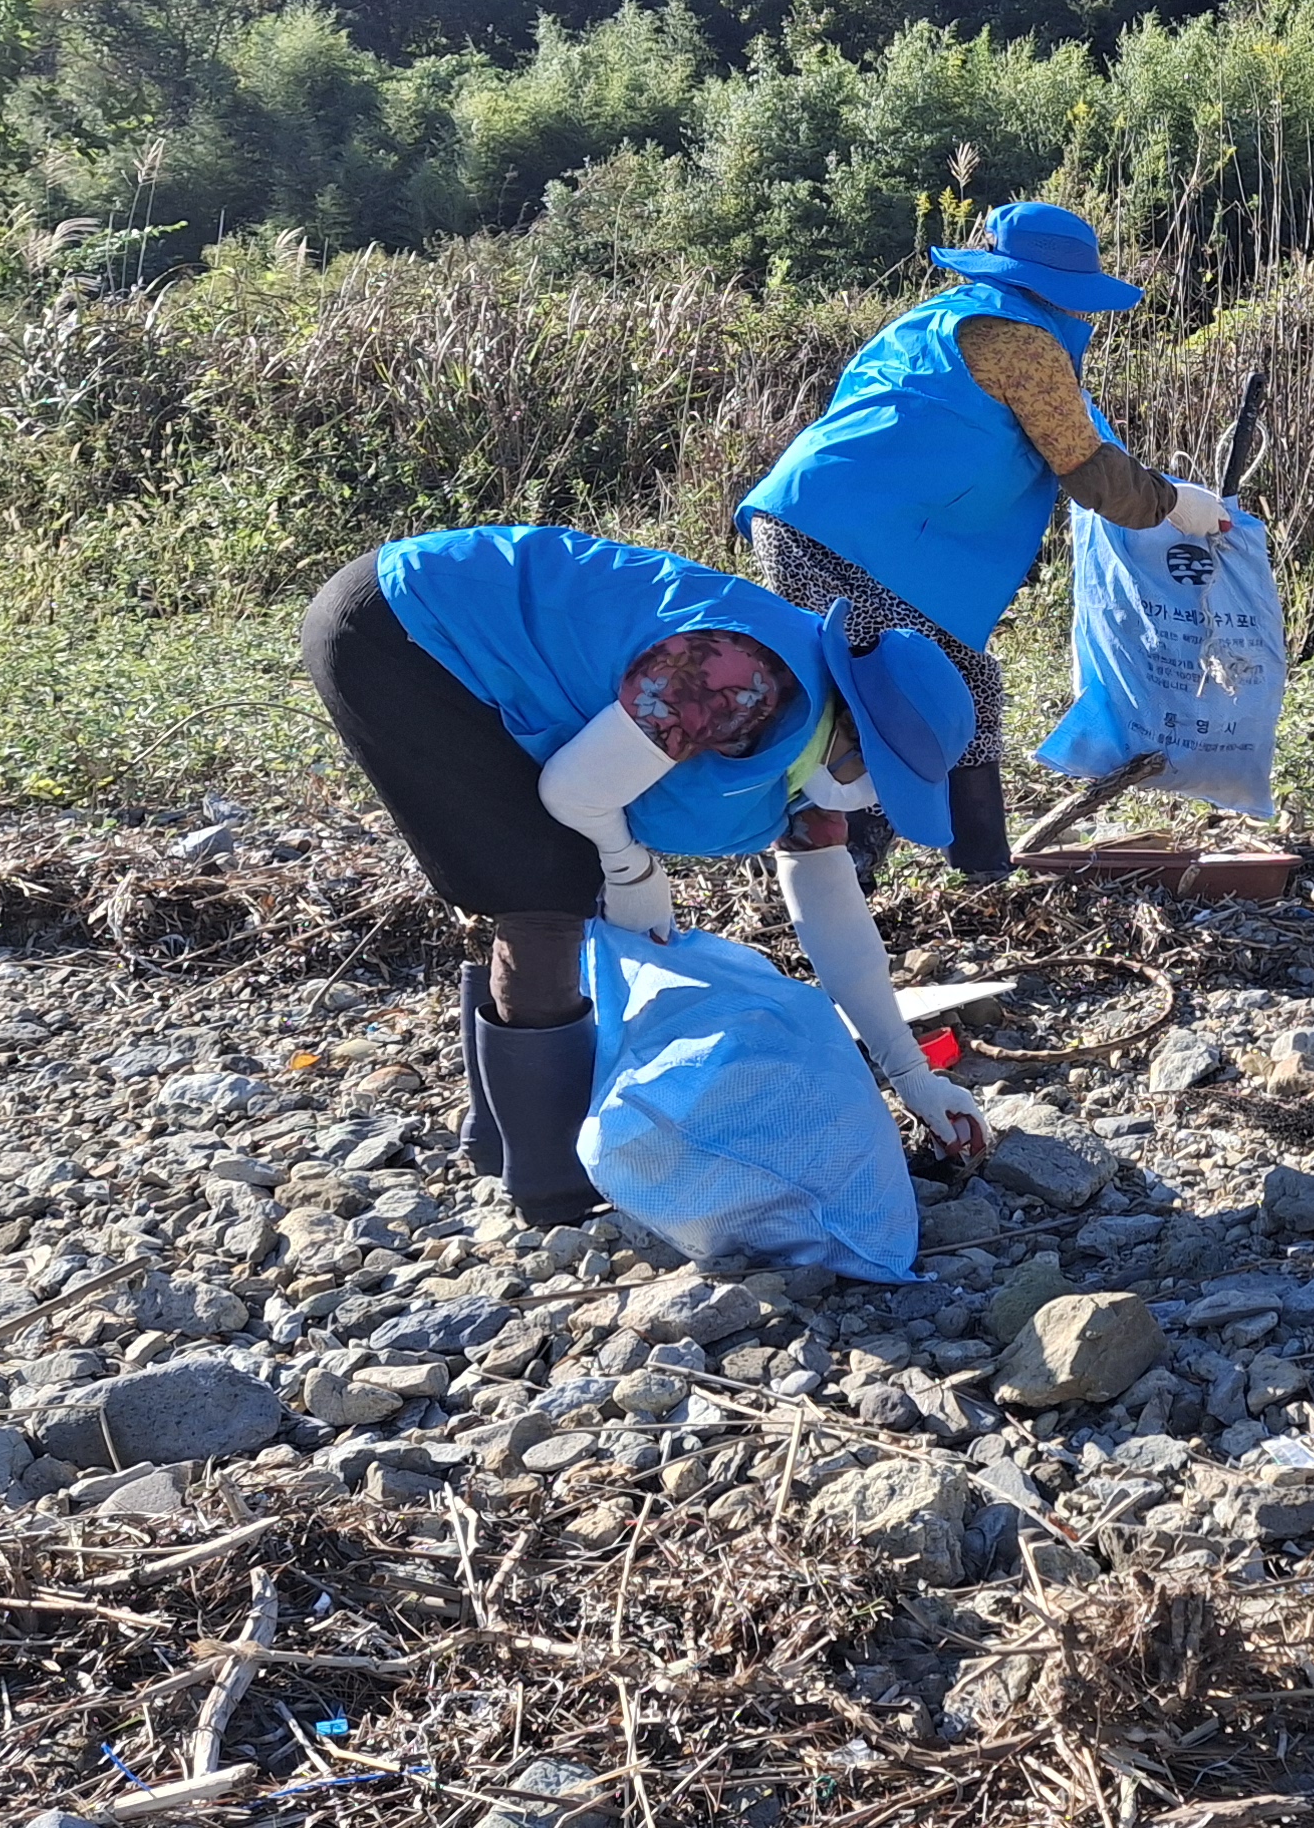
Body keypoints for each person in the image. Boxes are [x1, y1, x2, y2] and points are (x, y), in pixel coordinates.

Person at [300, 525, 994, 1226]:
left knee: (548, 878)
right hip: (404, 625)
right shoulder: (740, 675)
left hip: (457, 646)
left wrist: (913, 1075)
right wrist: (630, 867)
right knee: (547, 889)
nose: (868, 798)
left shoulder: (808, 759)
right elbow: (574, 794)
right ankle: (552, 1190)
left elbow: (837, 926)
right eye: (877, 777)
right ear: (855, 729)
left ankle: (497, 1140)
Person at [737, 200, 1232, 883]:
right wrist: (1176, 505)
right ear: (1057, 289)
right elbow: (1088, 471)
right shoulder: (1022, 342)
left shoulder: (938, 319)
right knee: (888, 696)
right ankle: (853, 868)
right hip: (854, 535)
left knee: (934, 687)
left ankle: (976, 867)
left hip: (808, 515)